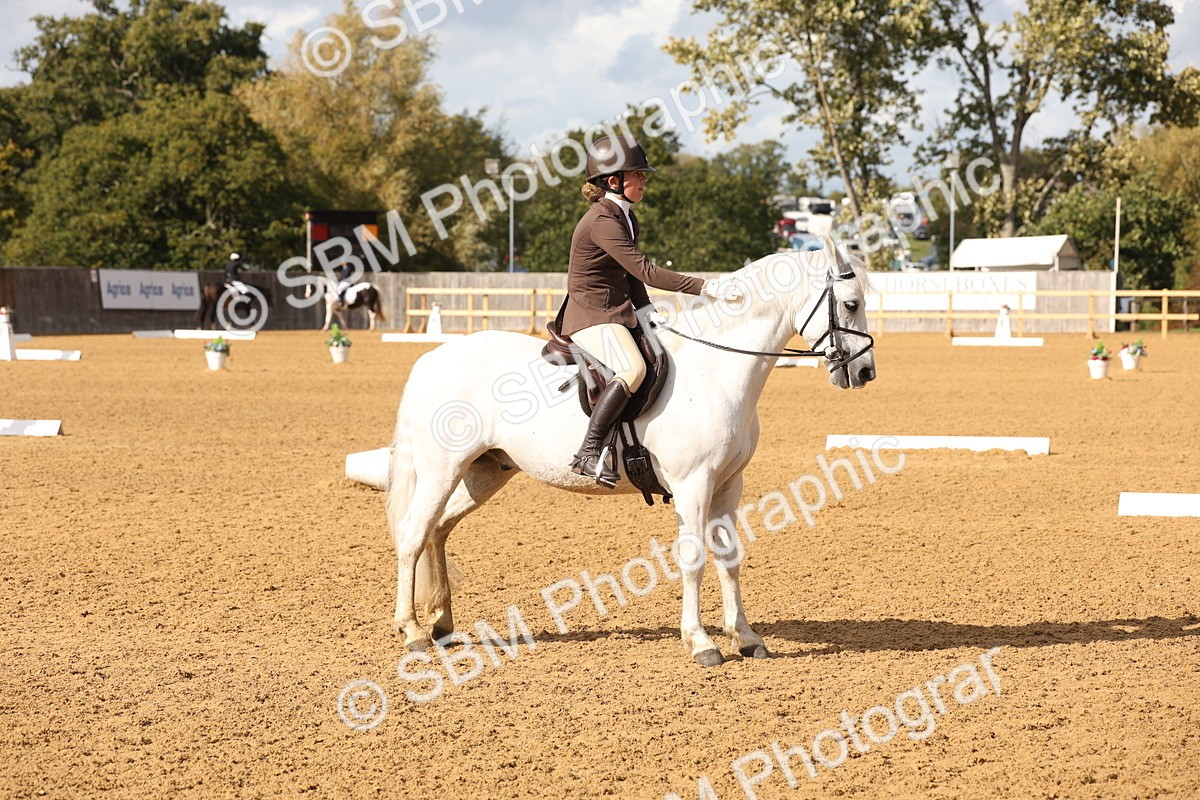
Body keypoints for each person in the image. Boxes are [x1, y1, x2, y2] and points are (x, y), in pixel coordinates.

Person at [562, 135, 741, 487]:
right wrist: (706, 287)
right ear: (613, 181)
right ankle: (588, 450)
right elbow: (646, 270)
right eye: (638, 175)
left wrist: (647, 313)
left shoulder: (624, 217)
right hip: (591, 314)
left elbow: (630, 276)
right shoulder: (602, 220)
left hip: (617, 311)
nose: (645, 179)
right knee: (633, 367)